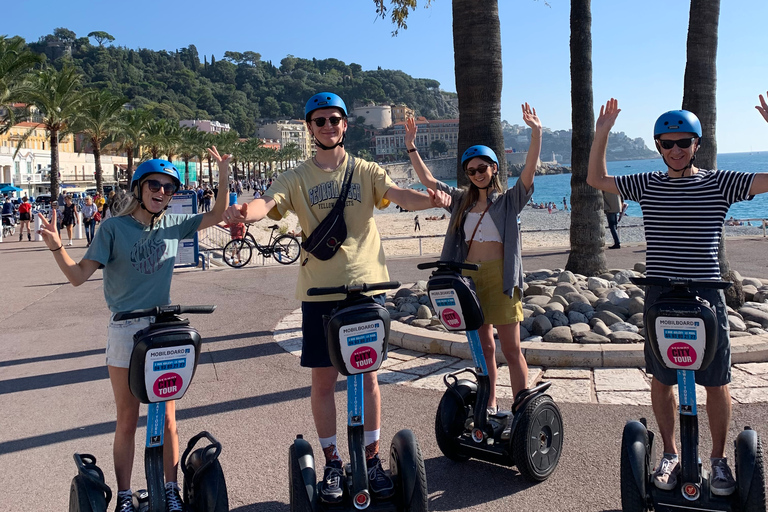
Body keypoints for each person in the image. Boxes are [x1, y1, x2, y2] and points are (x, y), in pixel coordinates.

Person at [222, 92, 449, 505]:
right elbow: (266, 203)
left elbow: (400, 196)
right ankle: (331, 461)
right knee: (324, 380)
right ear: (310, 127)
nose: (328, 126)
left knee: (369, 378)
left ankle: (373, 459)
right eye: (320, 121)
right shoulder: (297, 176)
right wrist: (243, 211)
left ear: (345, 125)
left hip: (366, 289)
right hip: (319, 293)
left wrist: (430, 198)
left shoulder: (365, 170)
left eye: (335, 120)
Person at [587, 97, 768, 497]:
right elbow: (597, 180)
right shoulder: (647, 183)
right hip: (660, 294)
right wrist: (602, 134)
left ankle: (718, 460)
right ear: (658, 147)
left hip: (707, 293)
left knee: (716, 381)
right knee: (663, 377)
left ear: (696, 144)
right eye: (666, 143)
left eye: (683, 142)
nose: (675, 150)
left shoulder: (720, 182)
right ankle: (670, 453)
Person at [37, 152, 231, 512]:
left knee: (168, 416)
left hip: (162, 331)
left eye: (169, 187)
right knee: (128, 418)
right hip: (126, 329)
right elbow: (79, 277)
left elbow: (218, 214)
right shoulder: (113, 229)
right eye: (154, 184)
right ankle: (125, 495)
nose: (161, 191)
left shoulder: (172, 228)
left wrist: (222, 171)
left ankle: (171, 492)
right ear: (139, 188)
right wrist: (56, 245)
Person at [405, 102, 542, 413]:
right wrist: (412, 147)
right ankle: (488, 403)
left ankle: (522, 408)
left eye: (483, 168)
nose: (478, 174)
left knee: (512, 347)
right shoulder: (460, 201)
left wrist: (536, 134)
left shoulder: (509, 201)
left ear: (493, 168)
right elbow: (428, 182)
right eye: (471, 171)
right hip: (469, 279)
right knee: (484, 348)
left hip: (502, 278)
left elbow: (529, 173)